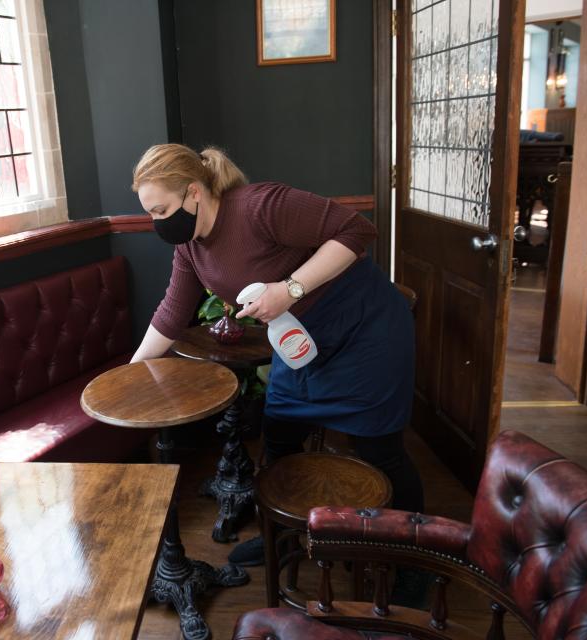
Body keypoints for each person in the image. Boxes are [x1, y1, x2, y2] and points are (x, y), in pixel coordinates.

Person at [129, 143, 427, 604]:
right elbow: (172, 311)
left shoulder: (259, 206)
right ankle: (284, 537)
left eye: (161, 209)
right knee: (279, 439)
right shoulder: (190, 247)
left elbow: (356, 230)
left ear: (193, 193)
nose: (157, 223)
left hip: (364, 330)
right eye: (150, 213)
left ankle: (414, 559)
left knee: (380, 450)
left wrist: (290, 289)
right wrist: (129, 376)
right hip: (299, 342)